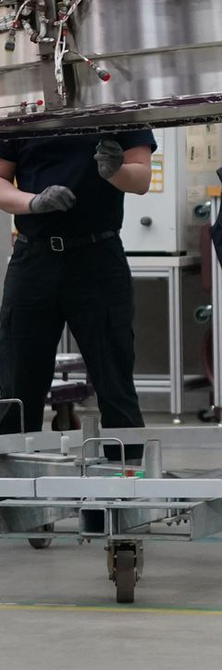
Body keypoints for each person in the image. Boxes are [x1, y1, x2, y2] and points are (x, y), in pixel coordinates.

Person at [0, 129, 156, 444]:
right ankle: (10, 480)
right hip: (34, 259)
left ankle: (128, 480)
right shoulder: (26, 111)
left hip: (97, 257)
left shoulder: (117, 106)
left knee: (114, 381)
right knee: (16, 382)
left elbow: (140, 179)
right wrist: (34, 202)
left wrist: (117, 171)